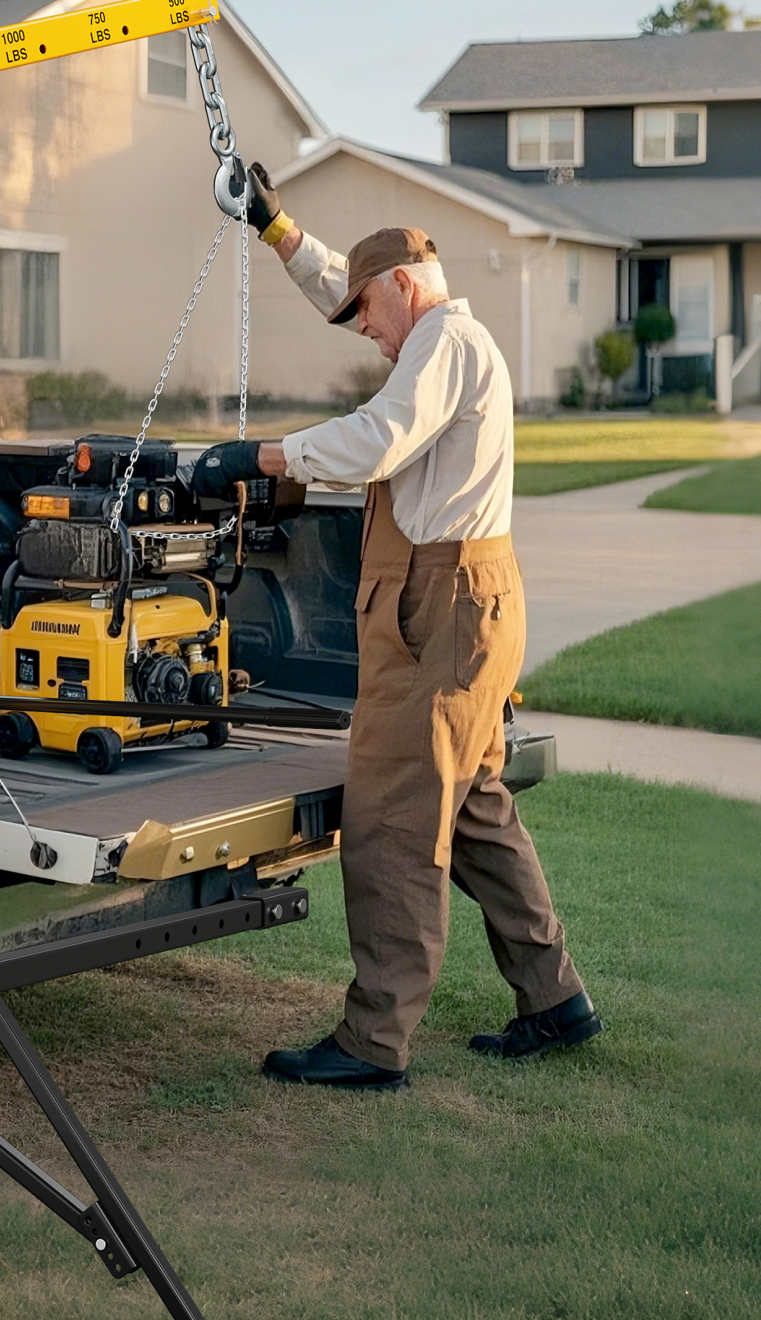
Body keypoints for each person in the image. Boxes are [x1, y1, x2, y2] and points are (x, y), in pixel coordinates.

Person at [191, 165, 602, 1091]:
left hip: (438, 608)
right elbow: (347, 289)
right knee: (475, 808)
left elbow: (378, 439)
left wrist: (260, 455)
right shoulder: (438, 333)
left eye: (370, 316)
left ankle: (373, 1040)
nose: (366, 334)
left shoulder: (443, 340)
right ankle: (554, 997)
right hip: (469, 602)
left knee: (390, 819)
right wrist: (276, 229)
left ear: (406, 287)